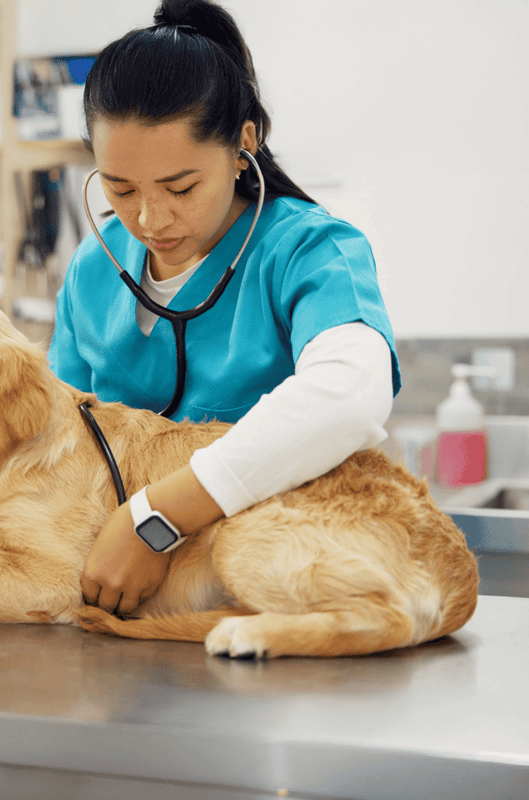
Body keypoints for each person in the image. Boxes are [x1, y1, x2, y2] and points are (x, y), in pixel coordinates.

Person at [48, 0, 400, 618]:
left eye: (181, 188)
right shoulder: (93, 271)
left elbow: (350, 394)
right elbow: (54, 443)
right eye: (120, 188)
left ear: (244, 143)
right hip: (122, 614)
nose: (150, 219)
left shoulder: (308, 250)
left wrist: (157, 518)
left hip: (268, 597)